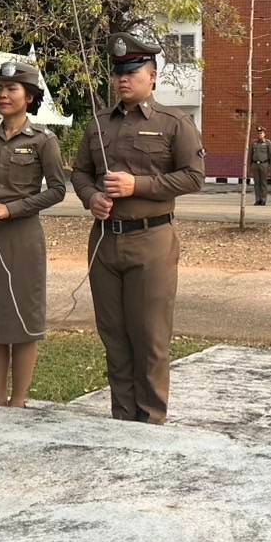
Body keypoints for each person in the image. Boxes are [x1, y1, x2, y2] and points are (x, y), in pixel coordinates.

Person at [71, 32, 204, 424]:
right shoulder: (98, 124)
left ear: (153, 76)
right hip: (105, 242)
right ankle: (122, 419)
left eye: (132, 72)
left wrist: (138, 186)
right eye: (118, 73)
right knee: (114, 337)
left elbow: (194, 176)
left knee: (150, 338)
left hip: (151, 241)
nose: (123, 79)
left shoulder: (173, 123)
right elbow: (80, 173)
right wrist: (91, 197)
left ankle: (151, 422)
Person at [0, 60, 66, 407]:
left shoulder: (43, 141)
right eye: (0, 88)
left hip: (24, 238)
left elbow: (57, 190)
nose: (3, 95)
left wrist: (13, 208)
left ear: (30, 97)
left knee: (24, 319)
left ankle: (18, 402)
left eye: (12, 89)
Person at [248, 126, 271, 206]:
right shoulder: (253, 143)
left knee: (263, 183)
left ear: (264, 134)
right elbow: (250, 155)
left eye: (261, 133)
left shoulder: (268, 143)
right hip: (255, 165)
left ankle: (263, 199)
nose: (260, 135)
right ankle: (257, 199)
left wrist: (270, 167)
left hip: (264, 164)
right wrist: (249, 166)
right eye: (258, 133)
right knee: (257, 183)